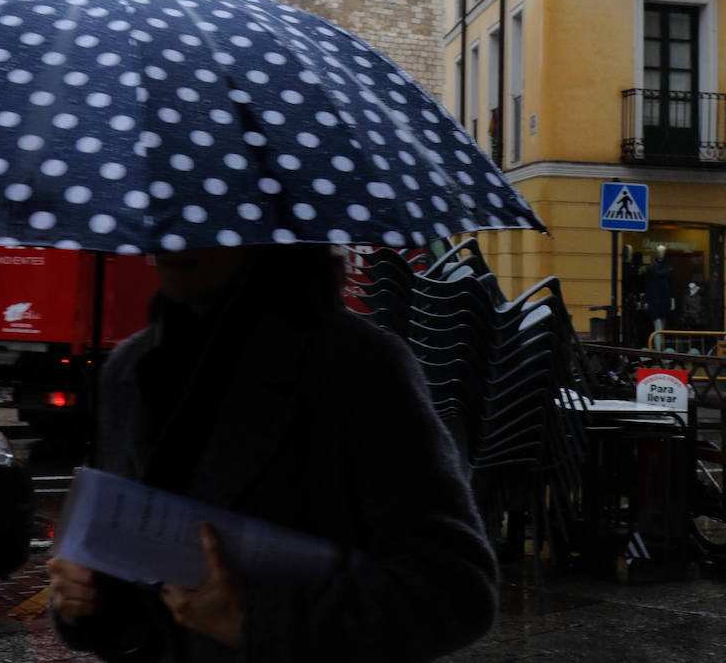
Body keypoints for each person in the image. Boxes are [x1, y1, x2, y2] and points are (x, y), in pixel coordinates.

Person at [49, 243, 498, 663]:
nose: (173, 239)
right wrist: (89, 599)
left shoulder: (356, 365)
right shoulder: (129, 370)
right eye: (164, 206)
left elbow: (456, 590)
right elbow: (137, 584)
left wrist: (258, 625)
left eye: (203, 209)